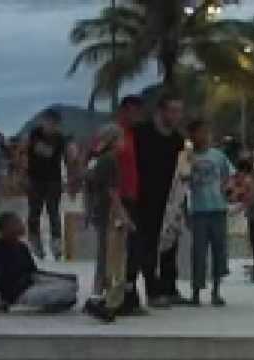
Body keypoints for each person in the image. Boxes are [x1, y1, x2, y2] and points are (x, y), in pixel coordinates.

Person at [135, 93, 188, 308]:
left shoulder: (177, 140)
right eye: (173, 111)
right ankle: (152, 290)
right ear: (162, 111)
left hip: (170, 199)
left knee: (170, 242)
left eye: (179, 111)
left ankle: (169, 287)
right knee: (148, 245)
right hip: (145, 199)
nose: (177, 116)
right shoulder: (143, 134)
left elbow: (181, 169)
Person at [82, 124, 135, 323]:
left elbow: (90, 186)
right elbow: (112, 192)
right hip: (109, 214)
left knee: (105, 256)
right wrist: (125, 217)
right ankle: (109, 302)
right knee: (114, 260)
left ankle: (102, 295)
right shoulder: (110, 160)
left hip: (100, 212)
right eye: (120, 139)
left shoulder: (98, 160)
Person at [0, 212, 78, 317]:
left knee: (71, 285)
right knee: (67, 290)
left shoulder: (22, 247)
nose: (21, 225)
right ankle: (28, 304)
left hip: (32, 283)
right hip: (20, 293)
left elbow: (34, 272)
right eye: (16, 223)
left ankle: (54, 300)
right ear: (5, 229)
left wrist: (62, 276)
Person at [188, 120, 234, 307]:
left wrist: (228, 189)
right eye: (197, 133)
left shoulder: (218, 156)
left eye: (204, 132)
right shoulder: (187, 157)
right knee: (198, 253)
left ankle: (216, 290)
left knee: (219, 251)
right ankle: (196, 292)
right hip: (198, 210)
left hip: (218, 209)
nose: (201, 136)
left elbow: (229, 175)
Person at [114, 96, 147, 315]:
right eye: (134, 112)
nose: (138, 117)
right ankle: (117, 296)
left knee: (136, 249)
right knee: (121, 251)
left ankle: (130, 292)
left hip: (137, 197)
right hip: (119, 199)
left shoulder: (138, 136)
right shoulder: (114, 135)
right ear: (125, 111)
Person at [27, 109, 67, 260]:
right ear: (44, 121)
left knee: (54, 212)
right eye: (49, 122)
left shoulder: (60, 138)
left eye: (55, 123)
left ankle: (56, 244)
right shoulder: (35, 133)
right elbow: (42, 151)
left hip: (54, 180)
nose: (52, 126)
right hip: (35, 178)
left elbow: (62, 156)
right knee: (34, 212)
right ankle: (35, 242)